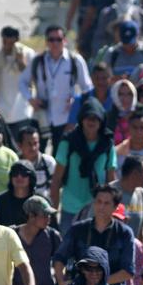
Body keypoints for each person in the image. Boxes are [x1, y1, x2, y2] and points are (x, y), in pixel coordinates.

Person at [19, 25, 94, 149]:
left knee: (62, 156)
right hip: (42, 116)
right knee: (37, 152)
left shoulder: (75, 61)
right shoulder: (38, 61)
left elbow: (87, 89)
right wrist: (30, 99)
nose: (55, 43)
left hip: (65, 118)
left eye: (58, 39)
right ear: (46, 42)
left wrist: (75, 102)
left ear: (64, 41)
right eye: (51, 40)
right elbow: (22, 82)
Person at [51, 97, 118, 229]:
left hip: (99, 209)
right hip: (70, 207)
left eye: (95, 118)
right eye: (88, 117)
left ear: (101, 120)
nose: (91, 121)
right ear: (81, 119)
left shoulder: (107, 144)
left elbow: (111, 180)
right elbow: (56, 179)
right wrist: (53, 211)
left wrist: (113, 210)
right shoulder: (68, 142)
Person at [0, 26, 35, 133]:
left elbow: (31, 79)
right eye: (5, 42)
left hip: (22, 110)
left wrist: (20, 61)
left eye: (11, 43)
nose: (7, 46)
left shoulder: (28, 54)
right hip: (2, 110)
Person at [0, 161, 37, 227]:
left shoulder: (39, 202)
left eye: (24, 174)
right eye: (15, 174)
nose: (19, 177)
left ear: (31, 177)